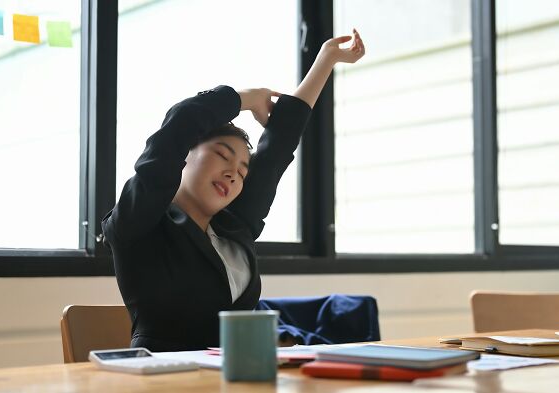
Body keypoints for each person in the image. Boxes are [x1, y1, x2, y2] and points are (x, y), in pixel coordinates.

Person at [102, 30, 365, 351]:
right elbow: (180, 123)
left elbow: (276, 149)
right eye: (222, 156)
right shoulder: (138, 221)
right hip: (165, 376)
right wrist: (246, 98)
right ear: (184, 155)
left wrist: (327, 59)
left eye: (242, 170)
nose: (233, 173)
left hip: (240, 373)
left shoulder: (234, 226)